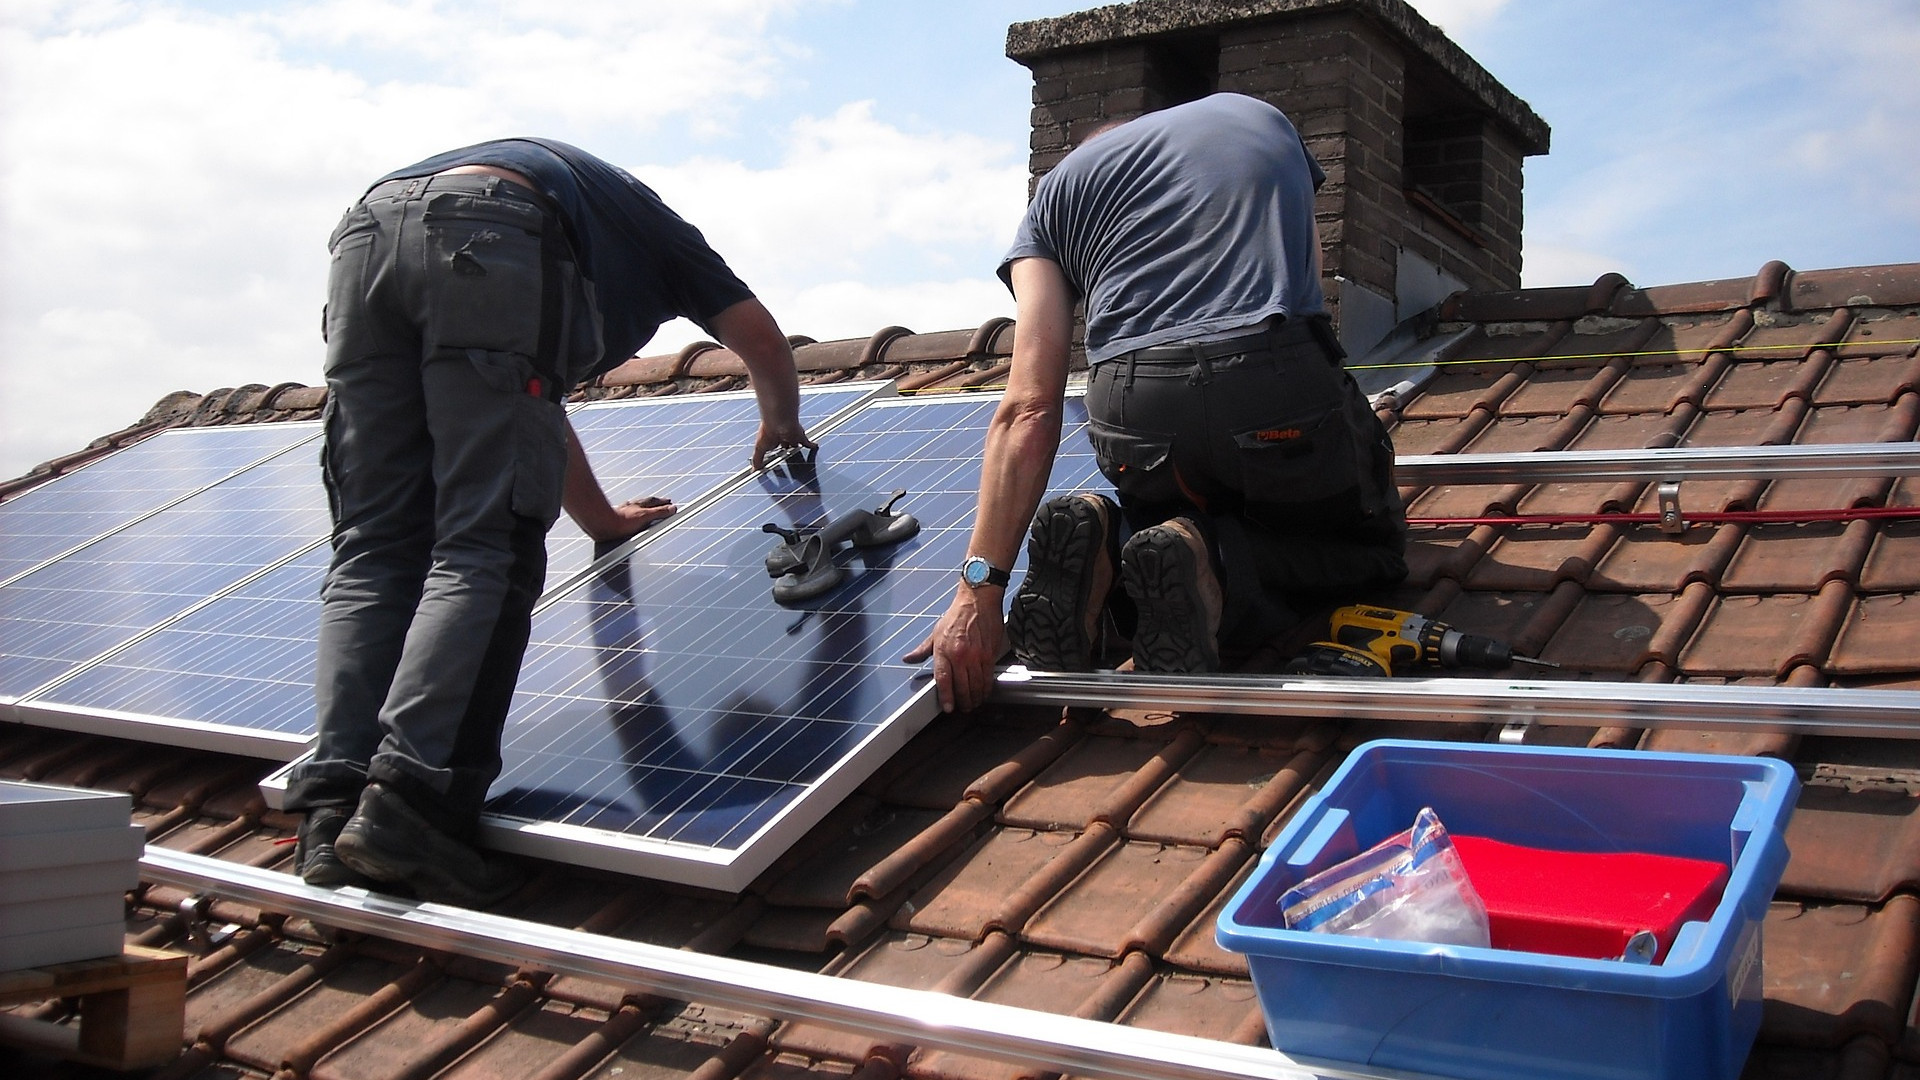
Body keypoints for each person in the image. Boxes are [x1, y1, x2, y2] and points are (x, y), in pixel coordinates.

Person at [284, 138, 815, 905]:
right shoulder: (663, 238)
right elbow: (762, 341)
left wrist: (600, 518)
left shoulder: (593, 213)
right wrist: (781, 423)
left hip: (367, 234)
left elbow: (529, 409)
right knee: (482, 550)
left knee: (373, 548)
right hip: (489, 229)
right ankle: (413, 808)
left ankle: (332, 816)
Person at [908, 93, 1407, 713]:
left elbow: (1030, 404)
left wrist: (979, 588)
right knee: (1372, 549)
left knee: (1169, 507)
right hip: (1269, 375)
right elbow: (1310, 286)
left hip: (1133, 407)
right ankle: (1214, 563)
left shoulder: (1049, 201)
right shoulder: (1258, 116)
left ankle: (1111, 542)